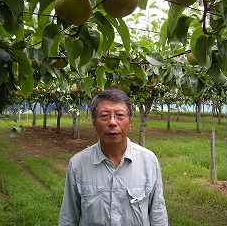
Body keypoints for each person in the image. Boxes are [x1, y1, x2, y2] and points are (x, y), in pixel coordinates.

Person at [59, 88, 168, 225]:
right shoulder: (78, 164)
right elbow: (68, 218)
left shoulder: (148, 161)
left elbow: (158, 214)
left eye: (120, 115)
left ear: (130, 122)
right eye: (104, 115)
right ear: (94, 122)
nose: (112, 122)